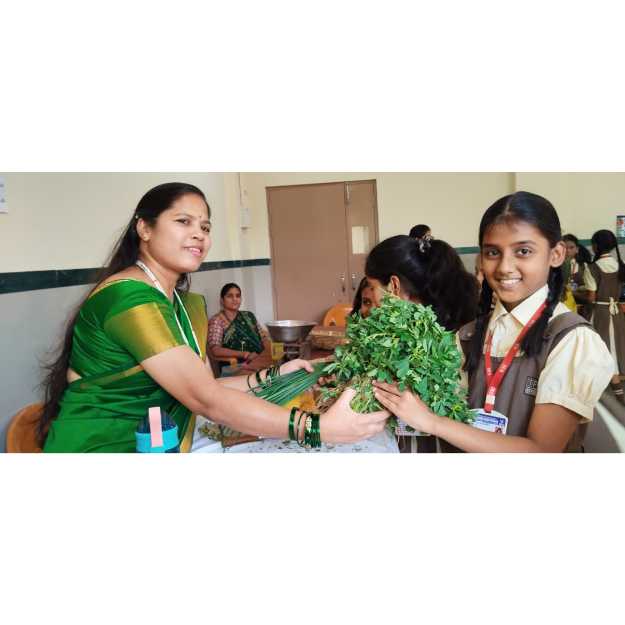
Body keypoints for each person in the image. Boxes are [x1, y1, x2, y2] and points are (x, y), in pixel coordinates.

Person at [40, 182, 389, 452]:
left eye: (205, 227)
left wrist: (276, 374)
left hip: (166, 440)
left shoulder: (176, 301)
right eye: (183, 222)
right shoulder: (128, 298)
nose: (199, 234)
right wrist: (317, 429)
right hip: (108, 446)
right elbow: (205, 400)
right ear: (144, 229)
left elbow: (203, 387)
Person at [373, 191, 613, 452]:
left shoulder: (572, 339)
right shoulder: (469, 334)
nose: (504, 267)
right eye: (492, 252)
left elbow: (541, 451)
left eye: (523, 251)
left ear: (556, 254)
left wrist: (433, 422)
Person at [364, 234, 479, 452]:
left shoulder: (435, 344)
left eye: (372, 287)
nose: (373, 300)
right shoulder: (443, 328)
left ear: (394, 286)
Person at [581, 229, 625, 402]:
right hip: (616, 314)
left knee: (597, 350)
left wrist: (578, 296)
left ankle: (607, 393)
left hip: (600, 313)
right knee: (614, 349)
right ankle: (616, 391)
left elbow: (591, 298)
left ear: (595, 246)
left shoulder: (592, 268)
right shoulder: (620, 266)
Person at [208, 283, 270, 372]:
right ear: (222, 300)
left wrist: (268, 353)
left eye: (238, 296)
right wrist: (245, 354)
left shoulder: (248, 316)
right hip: (238, 365)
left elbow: (263, 338)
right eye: (230, 296)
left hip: (259, 359)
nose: (235, 299)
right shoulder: (217, 320)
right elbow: (215, 350)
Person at [563, 233, 593, 319]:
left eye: (571, 247)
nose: (568, 250)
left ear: (577, 249)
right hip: (564, 307)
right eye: (565, 248)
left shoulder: (584, 266)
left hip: (581, 306)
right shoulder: (555, 267)